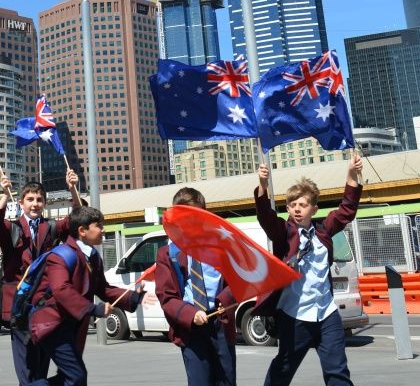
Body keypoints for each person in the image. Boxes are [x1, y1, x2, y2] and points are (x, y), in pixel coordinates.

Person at [254, 153, 364, 386]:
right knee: (283, 369)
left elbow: (346, 210)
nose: (297, 209)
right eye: (292, 205)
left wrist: (351, 175)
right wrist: (262, 185)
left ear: (313, 209)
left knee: (338, 372)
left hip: (326, 315)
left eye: (303, 205)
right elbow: (266, 217)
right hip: (295, 316)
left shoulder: (323, 231)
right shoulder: (284, 233)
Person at [0, 170, 83, 386]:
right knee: (26, 366)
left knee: (41, 363)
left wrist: (73, 189)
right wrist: (3, 194)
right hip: (19, 306)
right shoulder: (12, 228)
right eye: (30, 199)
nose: (35, 204)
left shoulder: (50, 227)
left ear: (45, 203)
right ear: (21, 202)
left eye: (39, 200)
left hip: (45, 304)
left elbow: (77, 221)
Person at [26, 205, 142, 386]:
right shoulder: (61, 255)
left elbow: (102, 288)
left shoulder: (93, 257)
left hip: (71, 325)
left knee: (70, 378)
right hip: (52, 324)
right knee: (76, 376)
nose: (103, 230)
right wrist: (93, 309)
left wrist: (133, 297)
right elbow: (61, 289)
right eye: (99, 225)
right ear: (82, 231)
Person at [154, 187, 238, 386]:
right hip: (191, 327)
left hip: (220, 321)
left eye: (197, 214)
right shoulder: (168, 253)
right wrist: (190, 314)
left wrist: (225, 299)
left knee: (226, 380)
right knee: (199, 381)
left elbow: (237, 281)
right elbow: (167, 296)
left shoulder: (221, 245)